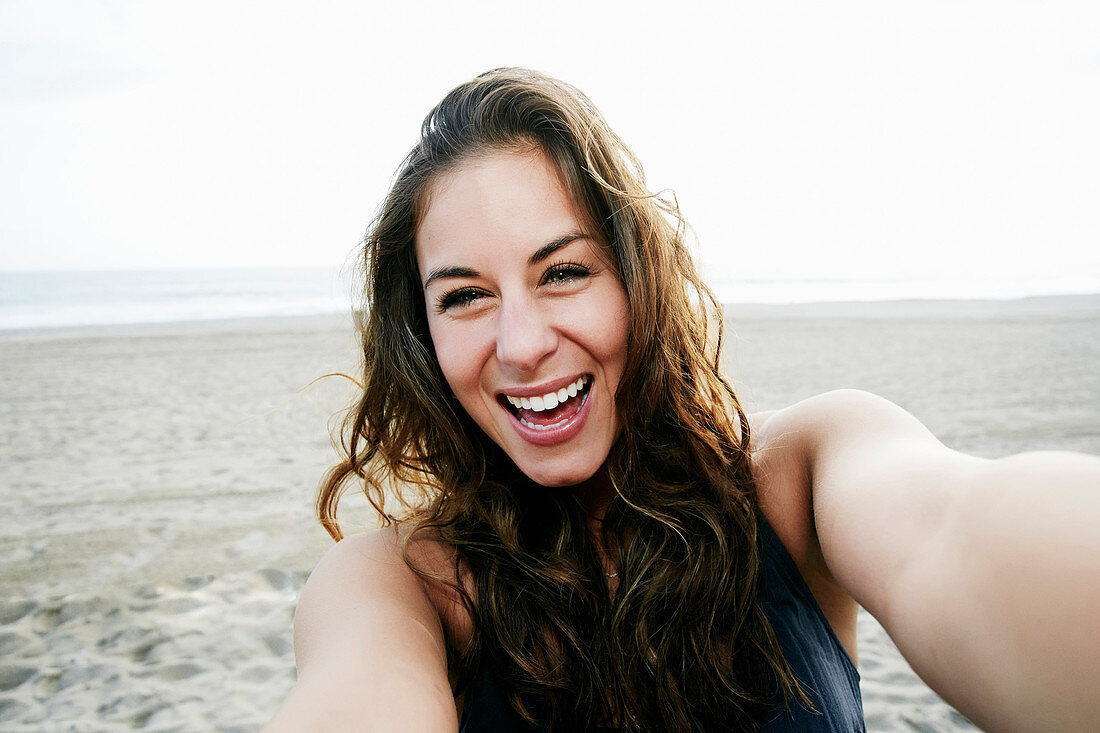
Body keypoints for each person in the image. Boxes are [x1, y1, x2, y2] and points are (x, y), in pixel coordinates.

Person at [266, 68, 1099, 732]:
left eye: (564, 271)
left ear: (637, 280)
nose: (520, 344)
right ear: (423, 330)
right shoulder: (393, 581)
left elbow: (959, 530)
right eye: (465, 296)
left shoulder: (806, 474)